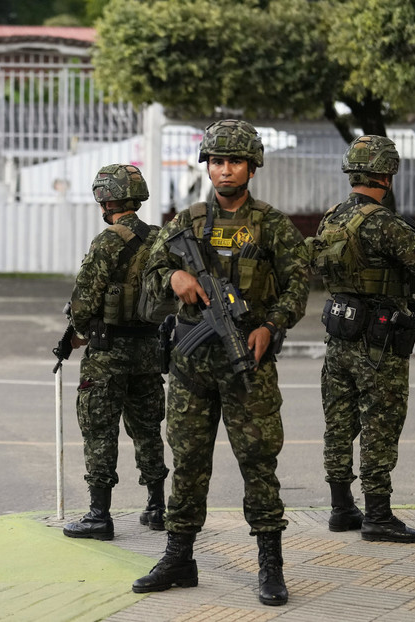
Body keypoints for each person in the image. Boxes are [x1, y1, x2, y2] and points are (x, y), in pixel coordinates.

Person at [133, 120, 309, 607]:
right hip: (192, 368)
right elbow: (149, 273)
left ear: (252, 166)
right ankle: (179, 557)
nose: (224, 169)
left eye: (233, 161)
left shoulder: (272, 225)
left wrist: (270, 326)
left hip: (246, 364)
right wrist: (175, 281)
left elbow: (298, 285)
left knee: (258, 462)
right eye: (215, 161)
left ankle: (269, 564)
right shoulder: (186, 222)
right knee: (188, 461)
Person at [310, 135, 415, 543]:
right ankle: (378, 516)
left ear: (352, 172)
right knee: (379, 424)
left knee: (338, 422)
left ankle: (340, 508)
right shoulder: (385, 223)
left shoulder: (331, 217)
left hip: (339, 335)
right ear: (387, 174)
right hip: (378, 342)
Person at [62, 164, 170, 542]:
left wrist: (76, 333)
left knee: (99, 431)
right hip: (149, 350)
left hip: (107, 352)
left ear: (107, 198)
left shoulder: (107, 241)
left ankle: (99, 515)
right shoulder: (158, 237)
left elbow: (84, 302)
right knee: (147, 430)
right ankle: (157, 508)